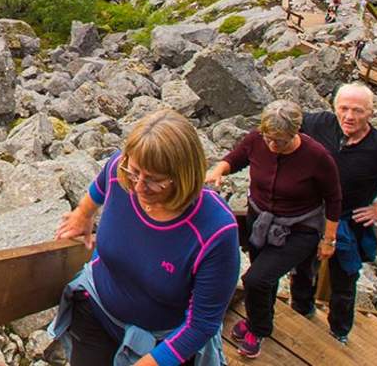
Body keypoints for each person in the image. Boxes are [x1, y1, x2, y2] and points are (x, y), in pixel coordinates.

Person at [51, 109, 240, 366]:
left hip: (163, 341)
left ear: (183, 176)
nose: (138, 186)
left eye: (154, 180)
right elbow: (104, 180)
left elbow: (202, 324)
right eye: (135, 172)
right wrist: (83, 213)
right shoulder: (121, 171)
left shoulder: (215, 230)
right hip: (97, 312)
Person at [290, 83, 377, 346]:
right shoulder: (318, 123)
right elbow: (285, 129)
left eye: (357, 110)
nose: (349, 116)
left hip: (348, 223)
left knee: (344, 281)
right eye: (343, 109)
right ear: (334, 107)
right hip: (311, 215)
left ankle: (339, 332)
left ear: (370, 112)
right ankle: (301, 312)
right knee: (301, 269)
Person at [205, 101, 341, 359]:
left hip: (299, 228)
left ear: (296, 132)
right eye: (269, 139)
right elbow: (237, 157)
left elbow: (334, 199)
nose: (273, 146)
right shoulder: (257, 140)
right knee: (264, 280)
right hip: (260, 221)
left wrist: (329, 239)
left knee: (256, 278)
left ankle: (258, 329)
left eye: (280, 141)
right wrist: (219, 170)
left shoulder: (317, 157)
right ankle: (260, 317)